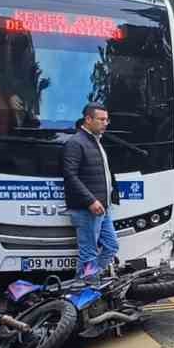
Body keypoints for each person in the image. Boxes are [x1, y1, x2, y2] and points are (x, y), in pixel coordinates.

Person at [60, 104, 120, 279]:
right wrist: (90, 201)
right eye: (101, 119)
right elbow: (70, 176)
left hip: (103, 207)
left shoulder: (95, 141)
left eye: (106, 119)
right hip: (87, 209)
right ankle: (84, 289)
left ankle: (92, 279)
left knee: (111, 246)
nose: (105, 123)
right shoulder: (76, 143)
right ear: (88, 119)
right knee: (88, 254)